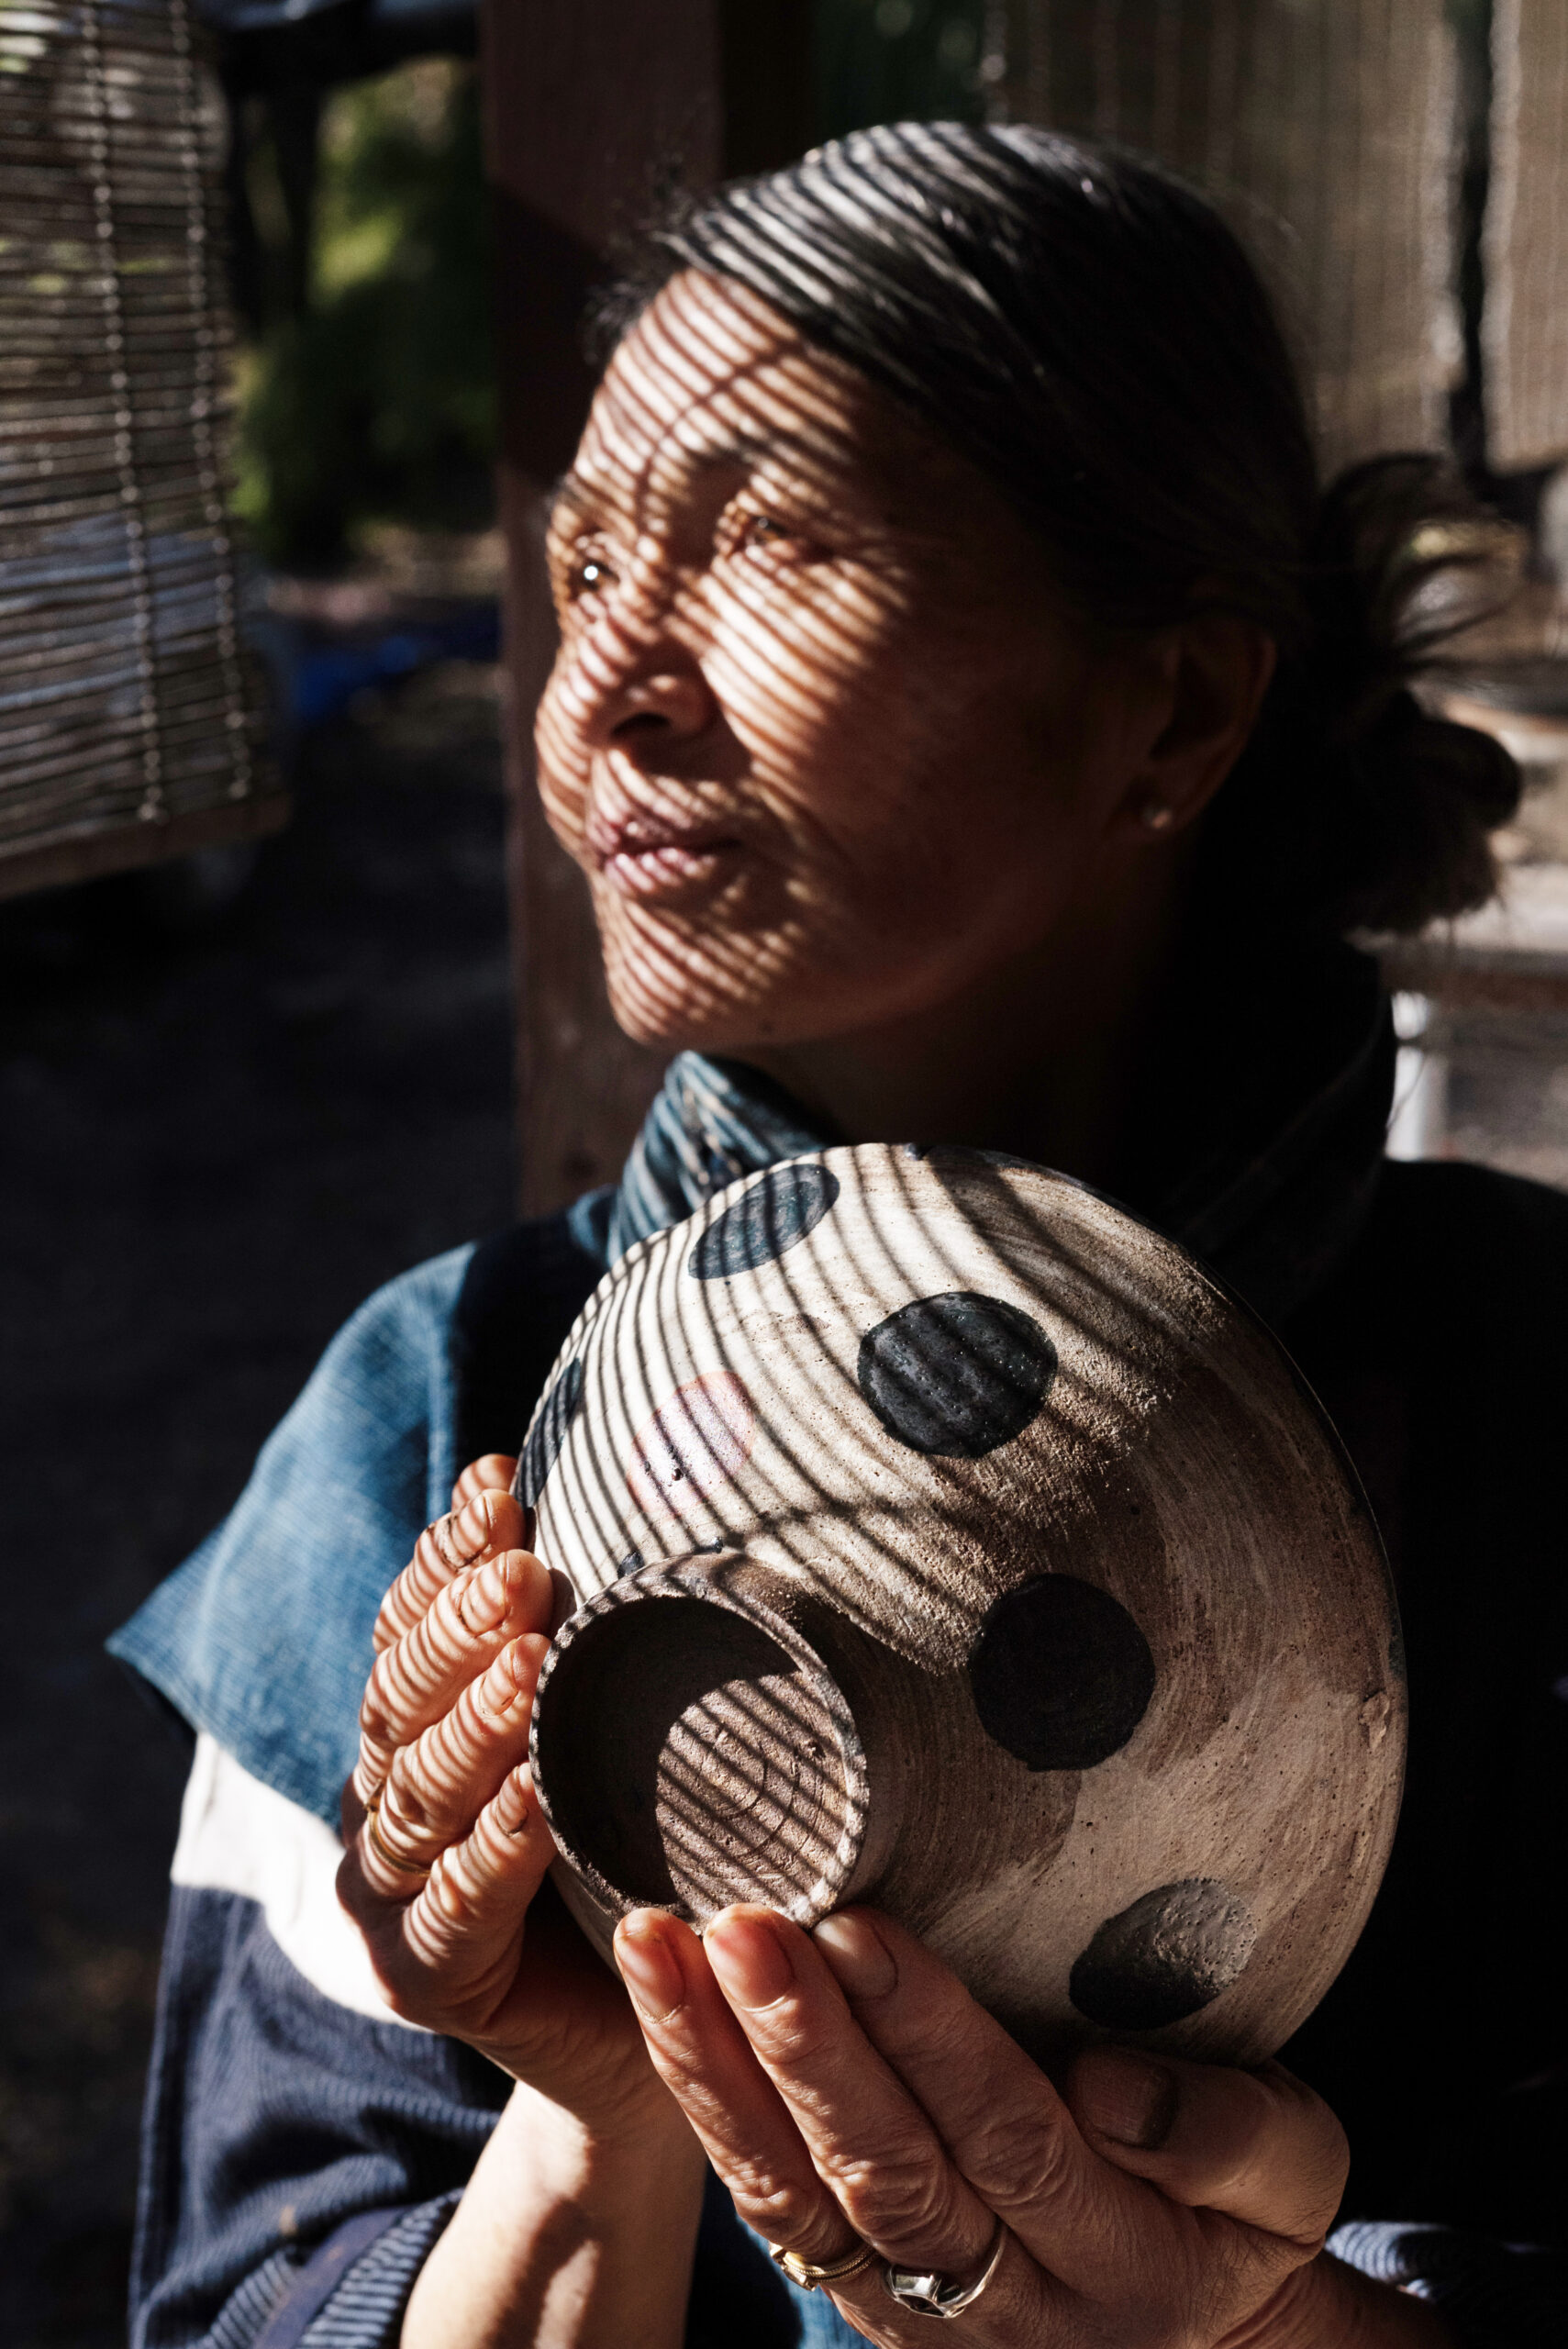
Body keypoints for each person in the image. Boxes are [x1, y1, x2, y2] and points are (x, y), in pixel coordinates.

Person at [111, 123, 1566, 2349]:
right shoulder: (442, 1413)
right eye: (589, 570)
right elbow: (253, 2283)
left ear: (1170, 702)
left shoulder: (1535, 1402)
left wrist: (1257, 2326)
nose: (605, 691)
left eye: (770, 543)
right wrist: (594, 2108)